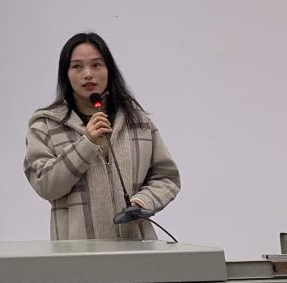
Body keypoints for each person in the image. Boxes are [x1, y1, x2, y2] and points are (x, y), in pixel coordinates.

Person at [23, 32, 180, 240]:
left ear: (109, 70)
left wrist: (143, 202)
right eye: (77, 67)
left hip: (136, 248)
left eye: (96, 65)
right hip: (77, 253)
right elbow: (45, 185)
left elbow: (167, 177)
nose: (88, 74)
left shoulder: (138, 122)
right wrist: (86, 143)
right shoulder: (45, 126)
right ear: (65, 74)